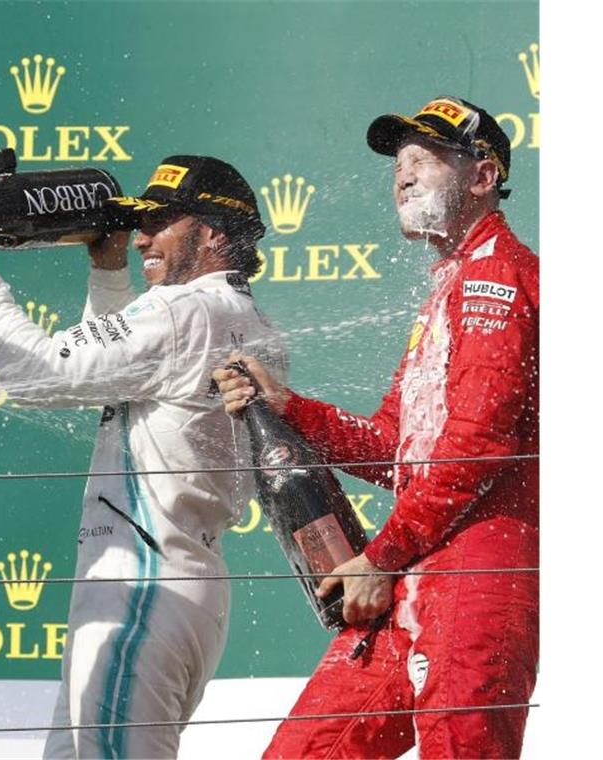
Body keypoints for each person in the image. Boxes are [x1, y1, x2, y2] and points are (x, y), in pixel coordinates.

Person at [0, 155, 287, 759]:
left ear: (214, 233)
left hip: (139, 591)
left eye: (160, 222)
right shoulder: (252, 321)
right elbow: (112, 376)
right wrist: (107, 270)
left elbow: (34, 372)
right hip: (184, 590)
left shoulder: (181, 310)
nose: (141, 238)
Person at [215, 96, 538, 758]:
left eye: (424, 161)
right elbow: (396, 450)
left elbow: (476, 450)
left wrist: (380, 557)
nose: (403, 176)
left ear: (482, 178)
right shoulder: (448, 289)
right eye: (399, 165)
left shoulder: (497, 279)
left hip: (475, 576)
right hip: (415, 573)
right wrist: (289, 407)